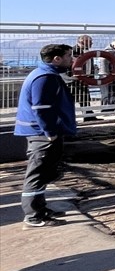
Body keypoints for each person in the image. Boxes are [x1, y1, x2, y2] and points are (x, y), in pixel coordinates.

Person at [15, 44, 77, 228]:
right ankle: (33, 215)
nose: (71, 59)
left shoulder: (45, 74)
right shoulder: (45, 78)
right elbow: (41, 108)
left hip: (43, 132)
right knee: (37, 174)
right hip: (41, 134)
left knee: (44, 172)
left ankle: (40, 208)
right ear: (56, 58)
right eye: (68, 56)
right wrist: (50, 133)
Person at [69, 34, 97, 122]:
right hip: (74, 79)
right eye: (90, 42)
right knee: (73, 98)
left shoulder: (87, 51)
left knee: (85, 97)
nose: (92, 43)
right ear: (83, 41)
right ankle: (71, 118)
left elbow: (90, 64)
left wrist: (91, 76)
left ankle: (88, 116)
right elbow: (69, 65)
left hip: (85, 78)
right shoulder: (73, 51)